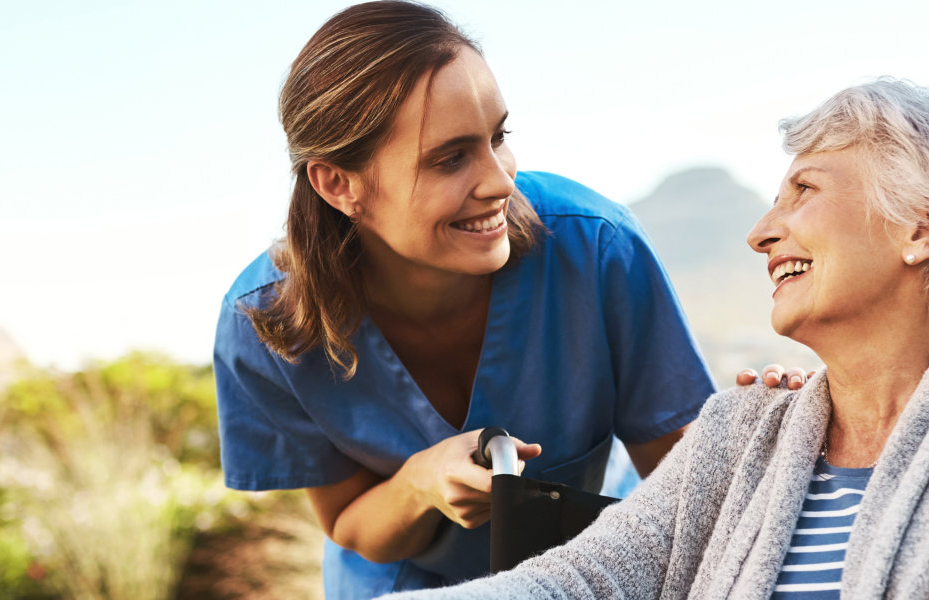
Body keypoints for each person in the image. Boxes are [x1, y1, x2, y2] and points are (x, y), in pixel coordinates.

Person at [386, 79, 929, 599]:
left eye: (804, 190)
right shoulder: (746, 428)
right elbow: (582, 581)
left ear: (925, 227)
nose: (760, 232)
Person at [212, 2, 769, 597]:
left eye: (499, 137)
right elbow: (349, 524)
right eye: (450, 158)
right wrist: (420, 483)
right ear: (338, 184)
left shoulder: (598, 247)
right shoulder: (266, 326)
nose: (501, 181)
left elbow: (687, 490)